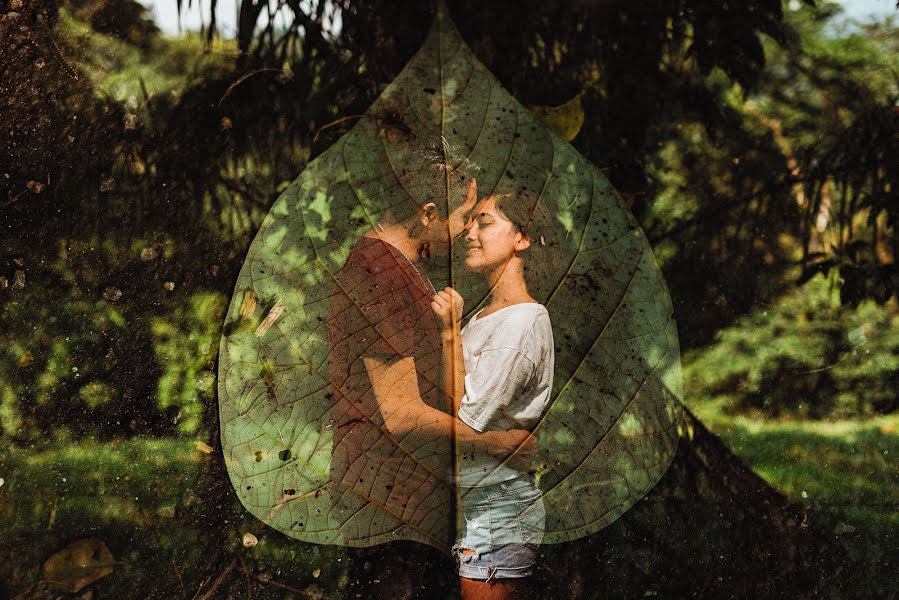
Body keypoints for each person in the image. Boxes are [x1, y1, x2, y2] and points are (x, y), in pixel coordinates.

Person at [326, 179, 535, 599]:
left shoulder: (399, 268)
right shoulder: (379, 273)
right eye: (461, 218)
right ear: (426, 213)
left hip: (405, 496)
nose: (463, 233)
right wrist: (494, 443)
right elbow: (402, 413)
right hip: (389, 494)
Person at [431, 193, 555, 600]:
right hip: (479, 497)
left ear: (522, 238)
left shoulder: (520, 322)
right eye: (470, 222)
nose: (469, 231)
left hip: (496, 504)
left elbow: (462, 418)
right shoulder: (490, 314)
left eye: (483, 222)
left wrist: (450, 332)